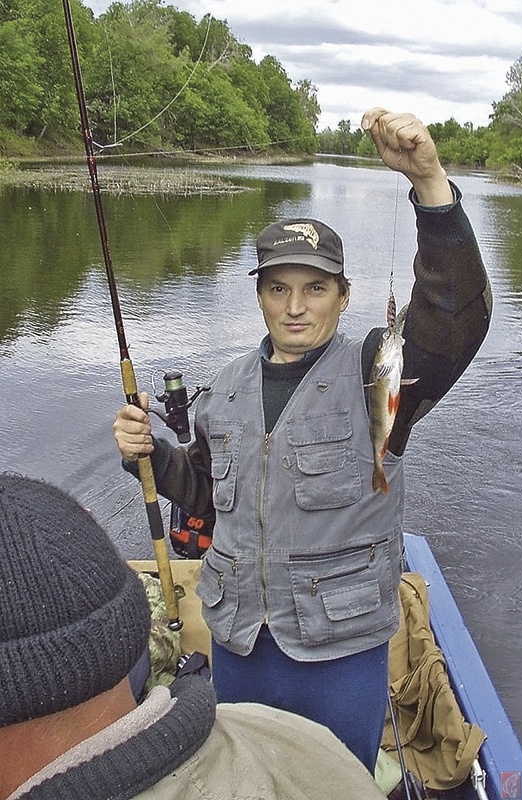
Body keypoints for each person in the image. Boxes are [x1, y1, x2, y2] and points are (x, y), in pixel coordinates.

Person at [113, 108, 492, 774]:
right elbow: (204, 493)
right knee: (246, 778)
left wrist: (431, 187)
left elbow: (454, 314)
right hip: (237, 646)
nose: (295, 307)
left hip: (338, 654)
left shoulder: (381, 370)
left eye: (315, 289)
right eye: (278, 288)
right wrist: (151, 458)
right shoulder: (226, 387)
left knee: (335, 783)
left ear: (344, 298)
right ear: (258, 295)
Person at [0, 472, 389, 800]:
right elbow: (204, 489)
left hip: (338, 639)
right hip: (238, 632)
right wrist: (158, 458)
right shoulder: (305, 739)